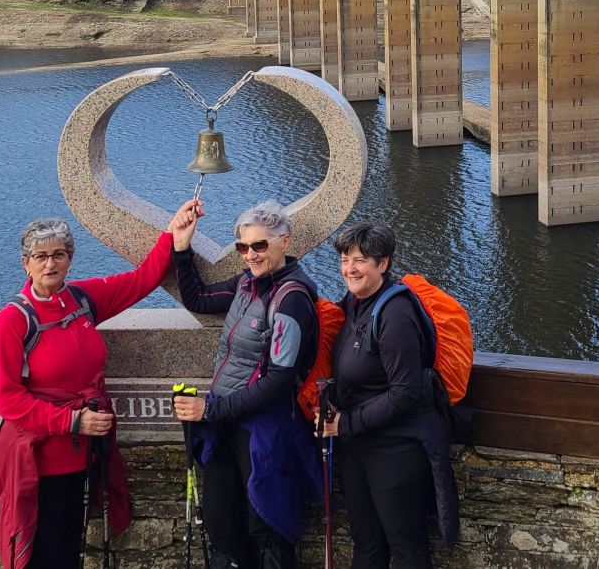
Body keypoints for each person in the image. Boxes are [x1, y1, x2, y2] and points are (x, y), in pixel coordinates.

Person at [0, 202, 201, 569]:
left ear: (70, 258)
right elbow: (8, 399)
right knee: (40, 550)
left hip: (80, 456)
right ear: (26, 263)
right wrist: (73, 422)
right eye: (41, 256)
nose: (51, 264)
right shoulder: (13, 322)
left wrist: (173, 235)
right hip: (36, 460)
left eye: (59, 255)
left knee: (70, 549)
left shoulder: (81, 300)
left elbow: (141, 281)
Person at [171, 200, 322, 569]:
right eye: (243, 246)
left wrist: (209, 409)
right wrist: (181, 247)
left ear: (284, 242)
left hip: (264, 429)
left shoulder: (292, 301)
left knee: (266, 523)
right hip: (226, 423)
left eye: (260, 245)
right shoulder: (245, 284)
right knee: (221, 520)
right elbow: (198, 299)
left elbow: (278, 380)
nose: (250, 255)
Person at [320, 222, 459, 569]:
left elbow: (405, 392)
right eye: (344, 259)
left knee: (407, 547)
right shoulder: (355, 303)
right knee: (366, 544)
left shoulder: (395, 314)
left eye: (360, 260)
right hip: (359, 446)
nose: (349, 268)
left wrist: (345, 424)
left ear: (383, 263)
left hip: (396, 452)